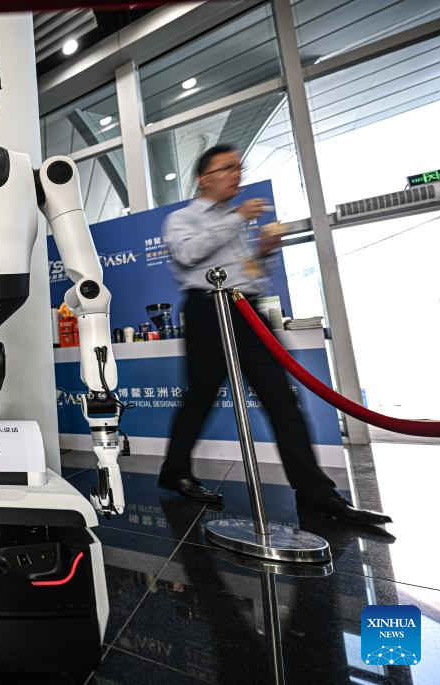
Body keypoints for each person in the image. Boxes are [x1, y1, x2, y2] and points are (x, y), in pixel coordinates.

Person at [158, 144, 391, 527]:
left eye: (239, 167)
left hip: (247, 310)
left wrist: (264, 252)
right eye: (227, 168)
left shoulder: (233, 219)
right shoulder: (183, 218)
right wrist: (237, 219)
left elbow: (248, 273)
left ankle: (315, 493)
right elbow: (188, 255)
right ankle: (175, 471)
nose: (237, 174)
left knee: (282, 398)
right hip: (209, 310)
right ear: (204, 178)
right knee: (200, 397)